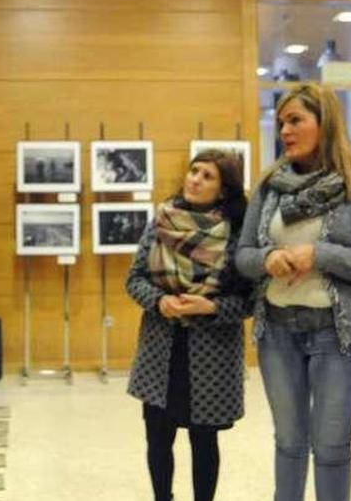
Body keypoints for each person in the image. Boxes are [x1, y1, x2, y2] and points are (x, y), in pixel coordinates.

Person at [235, 82, 351, 501]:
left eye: (296, 121)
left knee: (330, 448)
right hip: (277, 333)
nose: (284, 131)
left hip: (338, 336)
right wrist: (267, 259)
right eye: (281, 122)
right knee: (288, 443)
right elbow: (243, 256)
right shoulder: (270, 184)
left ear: (325, 124)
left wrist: (320, 254)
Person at [126, 149, 251, 501]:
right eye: (194, 171)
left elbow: (250, 300)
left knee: (204, 440)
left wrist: (210, 306)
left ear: (224, 190)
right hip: (160, 348)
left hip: (211, 353)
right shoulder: (162, 220)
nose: (195, 179)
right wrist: (159, 301)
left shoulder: (238, 233)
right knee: (158, 437)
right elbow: (134, 278)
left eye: (207, 176)